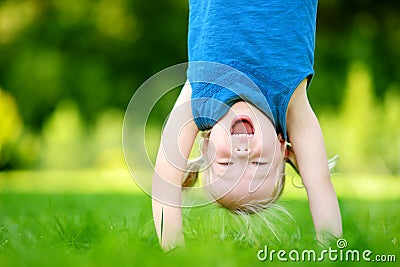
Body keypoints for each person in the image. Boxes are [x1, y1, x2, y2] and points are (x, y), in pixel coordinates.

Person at [151, 0, 342, 250]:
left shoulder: (200, 99)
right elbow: (320, 184)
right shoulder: (292, 107)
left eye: (226, 163)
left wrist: (174, 253)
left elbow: (165, 179)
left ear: (206, 148)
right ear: (282, 148)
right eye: (258, 163)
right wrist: (331, 252)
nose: (241, 153)